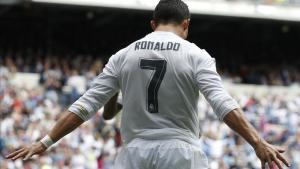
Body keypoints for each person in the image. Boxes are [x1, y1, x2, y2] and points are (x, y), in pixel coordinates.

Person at [6, 0, 290, 168]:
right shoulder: (196, 55)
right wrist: (257, 142)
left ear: (152, 24)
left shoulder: (123, 55)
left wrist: (45, 142)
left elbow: (85, 106)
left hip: (133, 155)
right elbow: (222, 104)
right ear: (187, 24)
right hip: (180, 153)